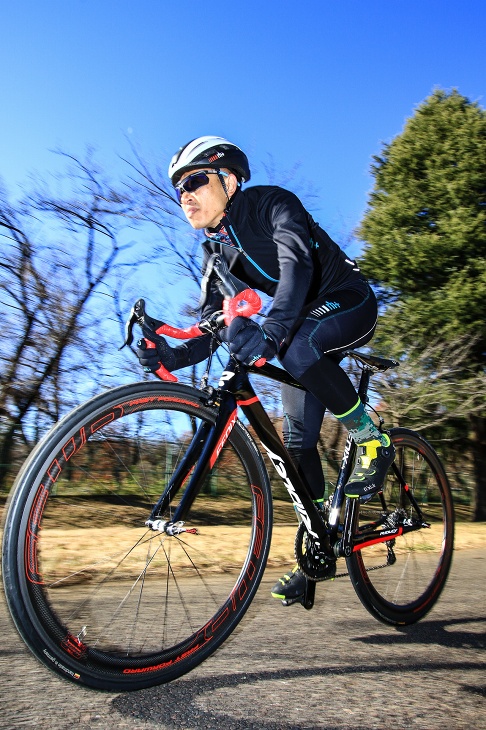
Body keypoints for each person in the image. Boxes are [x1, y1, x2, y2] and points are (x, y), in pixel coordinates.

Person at [137, 136, 395, 604]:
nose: (185, 195)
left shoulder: (270, 203)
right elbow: (211, 326)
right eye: (179, 189)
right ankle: (319, 547)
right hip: (302, 325)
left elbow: (295, 261)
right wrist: (170, 356)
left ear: (230, 180)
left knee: (293, 345)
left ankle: (371, 438)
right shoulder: (214, 254)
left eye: (195, 180)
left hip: (348, 301)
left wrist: (273, 330)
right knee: (296, 446)